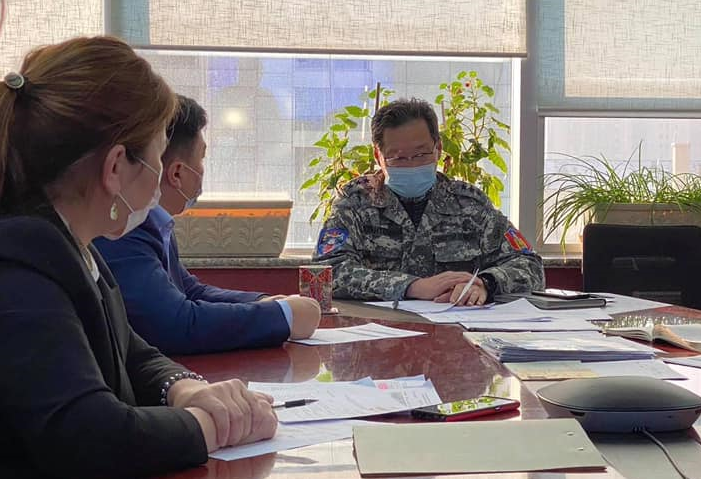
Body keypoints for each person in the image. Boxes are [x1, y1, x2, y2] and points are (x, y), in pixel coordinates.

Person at [0, 36, 277, 478]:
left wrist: (185, 389)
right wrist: (215, 426)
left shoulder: (73, 247)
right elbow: (90, 437)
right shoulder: (20, 263)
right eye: (156, 153)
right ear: (115, 167)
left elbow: (131, 350)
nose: (162, 172)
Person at [94, 95, 321, 355]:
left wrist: (264, 302)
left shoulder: (155, 223)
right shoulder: (122, 229)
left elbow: (190, 290)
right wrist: (282, 316)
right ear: (175, 173)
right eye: (201, 159)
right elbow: (175, 325)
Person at [313, 98, 544, 304]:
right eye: (398, 157)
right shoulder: (354, 205)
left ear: (438, 149)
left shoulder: (470, 206)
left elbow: (530, 267)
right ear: (378, 156)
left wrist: (484, 283)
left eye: (421, 154)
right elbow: (326, 272)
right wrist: (411, 287)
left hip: (456, 330)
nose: (411, 164)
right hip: (377, 331)